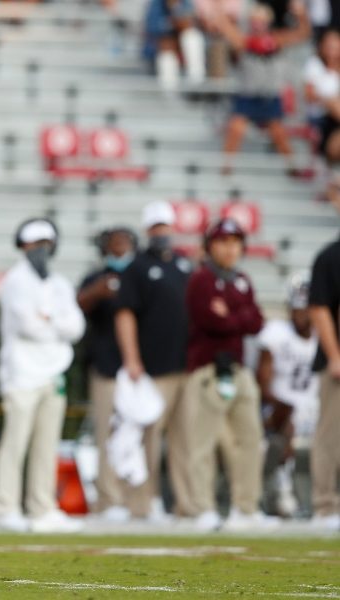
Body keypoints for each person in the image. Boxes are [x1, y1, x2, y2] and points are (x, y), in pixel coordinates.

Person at [0, 218, 86, 533]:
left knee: (47, 445)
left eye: (45, 245)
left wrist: (50, 322)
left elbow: (76, 327)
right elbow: (27, 326)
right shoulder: (15, 281)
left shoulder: (59, 283)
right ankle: (7, 507)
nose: (40, 251)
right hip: (21, 373)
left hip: (53, 372)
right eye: (35, 246)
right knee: (15, 442)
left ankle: (42, 508)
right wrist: (55, 324)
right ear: (24, 247)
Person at [184, 218, 267, 531]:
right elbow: (210, 321)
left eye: (235, 242)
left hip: (239, 369)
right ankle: (201, 508)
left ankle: (245, 508)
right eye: (223, 242)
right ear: (210, 246)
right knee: (202, 442)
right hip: (208, 368)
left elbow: (256, 321)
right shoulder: (201, 280)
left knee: (250, 438)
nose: (230, 249)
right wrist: (240, 317)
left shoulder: (242, 279)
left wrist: (232, 315)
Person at [114, 201, 194, 520]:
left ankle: (187, 504)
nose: (162, 232)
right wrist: (132, 358)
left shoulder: (184, 265)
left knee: (186, 438)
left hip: (185, 364)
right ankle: (144, 503)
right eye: (156, 227)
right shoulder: (137, 267)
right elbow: (125, 314)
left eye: (165, 226)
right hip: (152, 367)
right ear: (148, 230)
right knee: (148, 437)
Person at [77, 226, 137, 521]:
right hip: (106, 366)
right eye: (114, 244)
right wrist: (97, 291)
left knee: (137, 436)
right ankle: (109, 498)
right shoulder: (95, 278)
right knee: (107, 434)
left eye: (124, 243)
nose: (120, 249)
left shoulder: (139, 276)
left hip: (138, 370)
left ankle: (138, 499)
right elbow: (79, 307)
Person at [212, 1, 311, 177]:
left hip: (270, 97)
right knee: (235, 128)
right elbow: (225, 27)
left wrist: (300, 13)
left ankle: (293, 169)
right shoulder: (244, 40)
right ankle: (225, 168)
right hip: (248, 97)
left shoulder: (277, 39)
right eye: (255, 20)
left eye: (261, 20)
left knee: (279, 133)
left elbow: (303, 34)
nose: (258, 24)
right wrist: (218, 8)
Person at [256, 273, 318, 518]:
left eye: (306, 309)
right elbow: (262, 381)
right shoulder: (276, 332)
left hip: (315, 408)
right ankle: (284, 493)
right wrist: (283, 406)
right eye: (297, 309)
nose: (301, 315)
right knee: (288, 420)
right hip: (279, 409)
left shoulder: (325, 336)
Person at [308, 231, 340, 529]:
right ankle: (325, 506)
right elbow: (319, 307)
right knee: (330, 436)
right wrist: (334, 355)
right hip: (337, 365)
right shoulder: (330, 255)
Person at [143, 0, 206, 90]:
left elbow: (190, 24)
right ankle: (170, 96)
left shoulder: (186, 3)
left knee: (192, 37)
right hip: (162, 49)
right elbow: (153, 31)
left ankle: (196, 83)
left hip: (181, 46)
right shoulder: (156, 5)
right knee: (167, 55)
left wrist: (177, 14)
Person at [305, 31, 340, 164]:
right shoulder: (314, 65)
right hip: (321, 116)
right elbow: (309, 94)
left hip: (336, 121)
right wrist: (328, 101)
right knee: (334, 103)